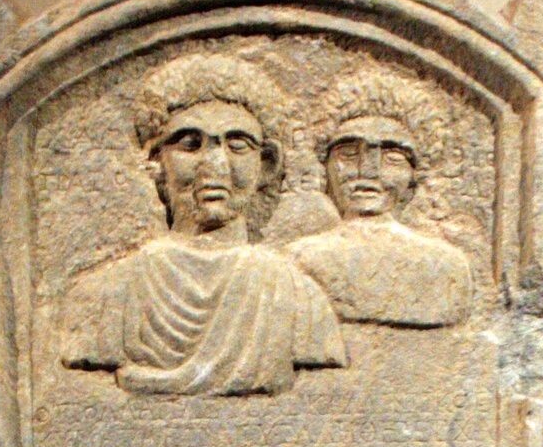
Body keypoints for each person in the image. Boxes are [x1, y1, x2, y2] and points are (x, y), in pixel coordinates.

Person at [61, 54, 346, 396]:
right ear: (156, 162)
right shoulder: (102, 296)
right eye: (190, 144)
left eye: (237, 145)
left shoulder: (299, 299)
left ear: (267, 165)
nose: (215, 164)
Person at [287, 74, 472, 327]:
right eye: (349, 153)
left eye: (392, 157)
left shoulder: (446, 266)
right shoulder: (297, 261)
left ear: (415, 176)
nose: (368, 170)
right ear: (324, 168)